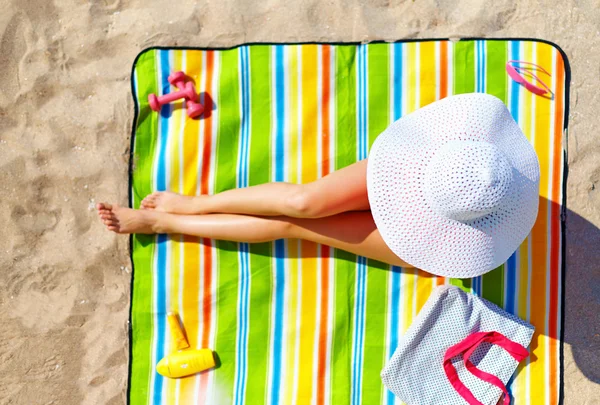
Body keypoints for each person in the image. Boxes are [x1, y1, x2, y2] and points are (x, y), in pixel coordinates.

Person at [98, 93, 540, 277]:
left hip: (441, 228)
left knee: (293, 226)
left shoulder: (485, 198)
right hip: (419, 170)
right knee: (302, 200)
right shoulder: (479, 166)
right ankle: (195, 204)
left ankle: (163, 224)